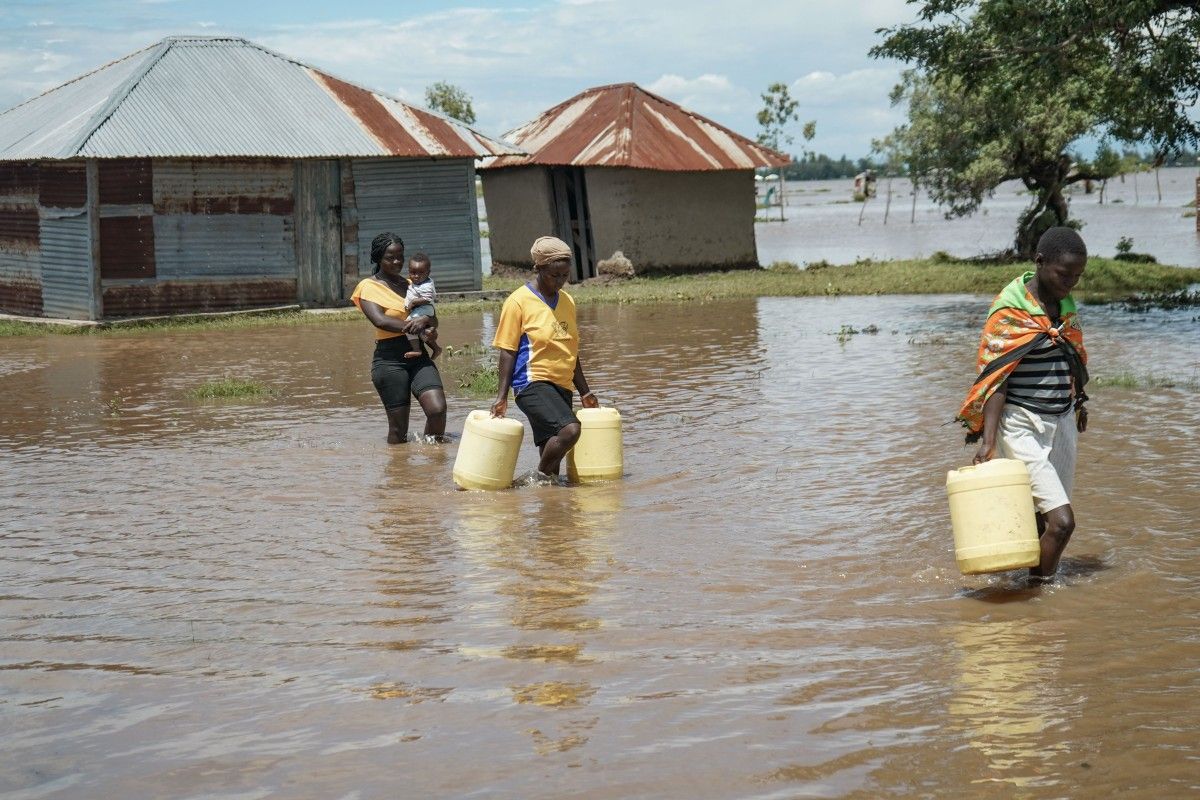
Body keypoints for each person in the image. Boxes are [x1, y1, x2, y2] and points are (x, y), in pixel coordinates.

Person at [957, 227, 1090, 578]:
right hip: (1020, 425)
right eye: (1064, 275)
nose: (1070, 283)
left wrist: (1078, 402)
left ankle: (1024, 606)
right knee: (1062, 523)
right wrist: (988, 442)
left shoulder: (1064, 306)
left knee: (1038, 520)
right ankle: (1037, 593)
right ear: (1040, 262)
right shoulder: (1010, 311)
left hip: (1061, 422)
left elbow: (1070, 357)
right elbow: (996, 378)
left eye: (1077, 277)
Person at [490, 235, 600, 484]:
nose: (560, 281)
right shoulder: (518, 301)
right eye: (554, 275)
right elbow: (508, 351)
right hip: (532, 383)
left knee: (553, 462)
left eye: (565, 275)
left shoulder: (567, 301)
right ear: (538, 269)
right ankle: (532, 481)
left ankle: (548, 511)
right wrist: (501, 397)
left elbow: (570, 348)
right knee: (570, 430)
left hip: (562, 385)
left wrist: (584, 391)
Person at [351, 233, 448, 444]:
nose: (397, 262)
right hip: (389, 361)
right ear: (378, 258)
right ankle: (398, 473)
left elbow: (432, 318)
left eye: (400, 257)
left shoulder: (411, 283)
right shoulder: (368, 286)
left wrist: (428, 324)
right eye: (390, 257)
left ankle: (433, 467)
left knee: (437, 410)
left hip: (418, 355)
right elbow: (381, 321)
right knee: (398, 431)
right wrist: (417, 325)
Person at [403, 252, 442, 360]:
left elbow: (427, 298)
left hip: (424, 309)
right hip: (422, 309)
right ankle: (436, 348)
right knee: (421, 331)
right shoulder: (415, 282)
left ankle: (417, 349)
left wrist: (413, 303)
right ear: (408, 271)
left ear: (428, 273)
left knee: (409, 325)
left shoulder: (426, 285)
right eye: (413, 272)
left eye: (421, 273)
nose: (416, 276)